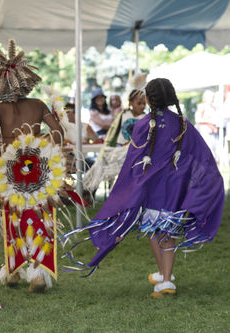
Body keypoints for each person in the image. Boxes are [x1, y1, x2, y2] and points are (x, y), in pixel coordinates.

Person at [61, 78, 224, 298]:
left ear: (147, 99)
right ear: (171, 97)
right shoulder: (183, 124)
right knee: (167, 232)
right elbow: (199, 155)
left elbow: (133, 162)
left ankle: (166, 280)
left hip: (150, 191)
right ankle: (163, 275)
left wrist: (129, 190)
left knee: (155, 232)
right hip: (174, 191)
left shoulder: (142, 125)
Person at [0, 40, 73, 293]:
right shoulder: (38, 105)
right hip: (38, 163)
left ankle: (13, 270)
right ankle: (37, 273)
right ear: (25, 80)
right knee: (39, 213)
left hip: (9, 163)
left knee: (13, 213)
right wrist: (45, 148)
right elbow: (57, 131)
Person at [84, 89, 146, 193]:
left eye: (144, 103)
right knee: (113, 172)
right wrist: (108, 146)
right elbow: (113, 131)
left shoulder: (145, 117)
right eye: (139, 103)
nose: (142, 106)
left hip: (136, 152)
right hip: (119, 149)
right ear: (130, 103)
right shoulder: (123, 114)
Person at [194, 90, 218, 159]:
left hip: (213, 131)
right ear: (205, 98)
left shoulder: (214, 107)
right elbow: (197, 119)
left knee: (214, 150)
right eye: (211, 97)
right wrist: (210, 121)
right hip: (205, 131)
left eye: (213, 97)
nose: (212, 98)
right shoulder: (201, 106)